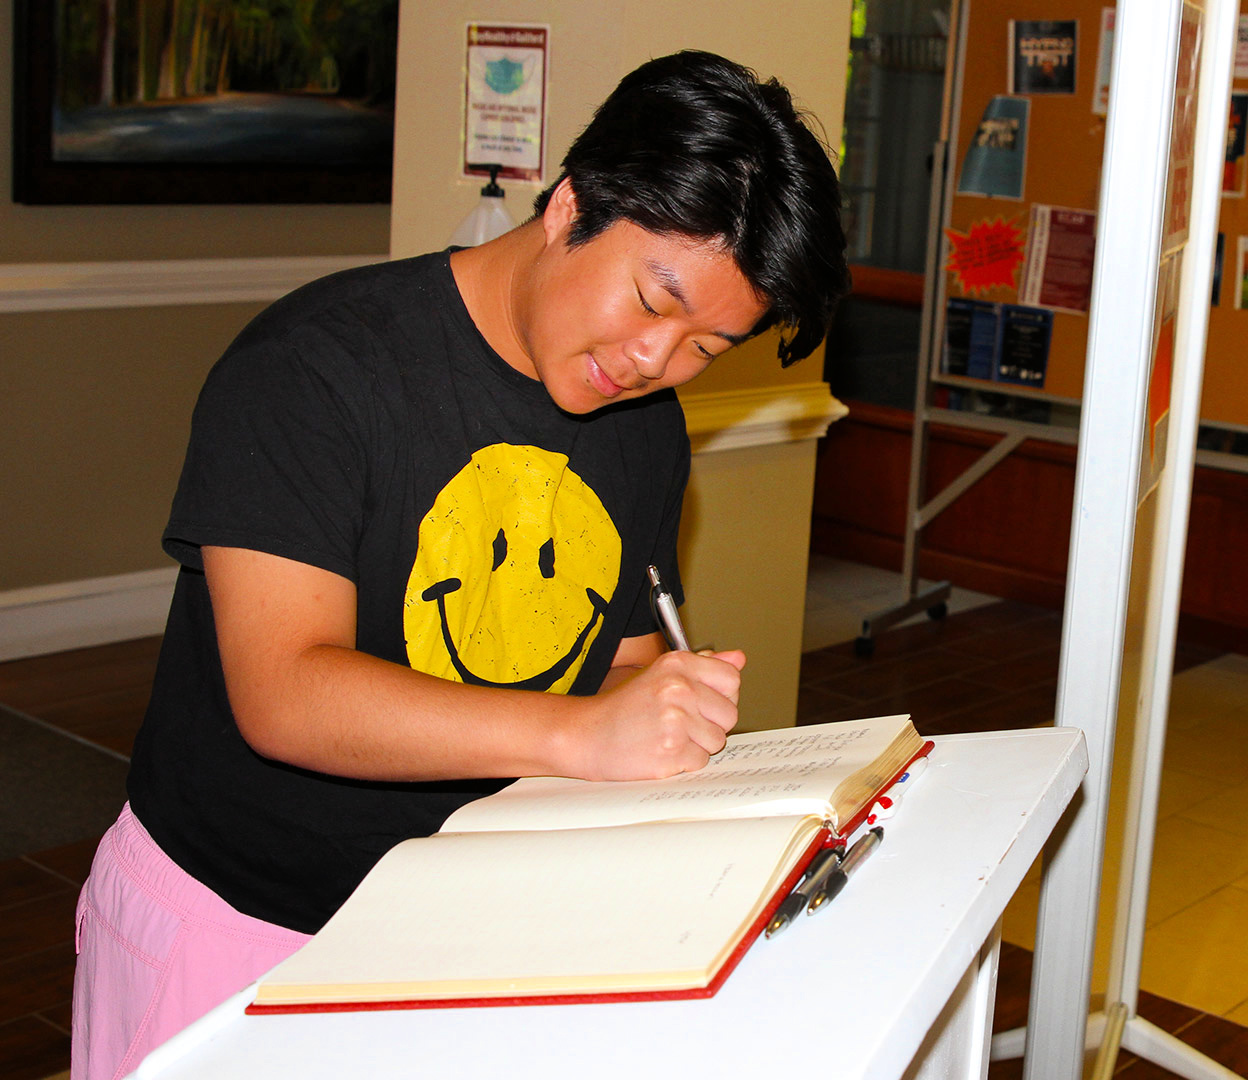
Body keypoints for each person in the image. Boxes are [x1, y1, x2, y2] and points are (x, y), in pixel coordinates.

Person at [71, 50, 849, 1080]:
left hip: (466, 925)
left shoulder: (642, 432)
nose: (656, 365)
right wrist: (586, 732)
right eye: (655, 304)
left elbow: (614, 654)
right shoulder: (314, 368)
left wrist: (661, 701)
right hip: (239, 923)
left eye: (710, 349)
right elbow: (286, 692)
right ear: (571, 206)